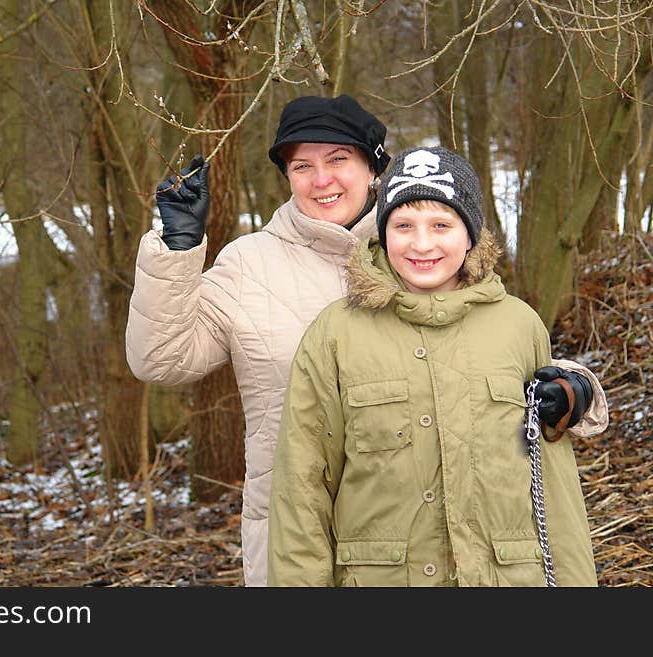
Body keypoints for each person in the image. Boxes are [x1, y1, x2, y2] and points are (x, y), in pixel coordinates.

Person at [125, 95, 607, 587]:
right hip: (293, 529)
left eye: (339, 160)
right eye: (302, 166)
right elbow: (160, 358)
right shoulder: (250, 265)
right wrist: (176, 250)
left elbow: (491, 351)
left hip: (426, 538)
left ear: (374, 167)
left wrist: (575, 388)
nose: (321, 179)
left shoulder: (425, 244)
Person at [267, 146, 607, 587]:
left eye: (441, 225)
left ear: (470, 235)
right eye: (403, 225)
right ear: (382, 235)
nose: (422, 244)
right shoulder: (335, 334)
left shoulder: (519, 325)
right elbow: (302, 488)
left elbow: (555, 489)